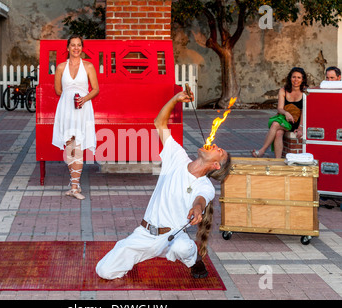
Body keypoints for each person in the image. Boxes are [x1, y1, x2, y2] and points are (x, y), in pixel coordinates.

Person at [96, 91, 232, 280]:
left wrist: (197, 207)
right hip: (144, 234)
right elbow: (159, 123)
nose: (215, 145)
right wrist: (175, 99)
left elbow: (201, 199)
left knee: (182, 247)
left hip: (172, 237)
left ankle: (193, 259)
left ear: (216, 165)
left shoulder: (205, 185)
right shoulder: (177, 157)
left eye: (220, 151)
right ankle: (134, 256)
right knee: (104, 271)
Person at [52, 35, 99, 200]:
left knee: (77, 144)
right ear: (68, 47)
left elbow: (96, 89)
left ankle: (74, 187)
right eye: (73, 45)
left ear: (82, 48)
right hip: (66, 108)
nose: (76, 48)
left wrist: (83, 99)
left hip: (82, 108)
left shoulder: (88, 66)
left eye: (79, 45)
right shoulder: (60, 68)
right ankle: (74, 184)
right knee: (69, 145)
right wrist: (69, 97)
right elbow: (58, 90)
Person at [252, 67, 308, 158]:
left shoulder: (306, 92)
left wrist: (300, 128)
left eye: (299, 77)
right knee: (278, 133)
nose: (296, 80)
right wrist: (286, 113)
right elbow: (279, 108)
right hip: (285, 119)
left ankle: (262, 150)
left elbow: (304, 112)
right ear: (290, 78)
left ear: (303, 79)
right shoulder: (283, 90)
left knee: (275, 125)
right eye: (294, 77)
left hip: (297, 122)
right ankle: (278, 160)